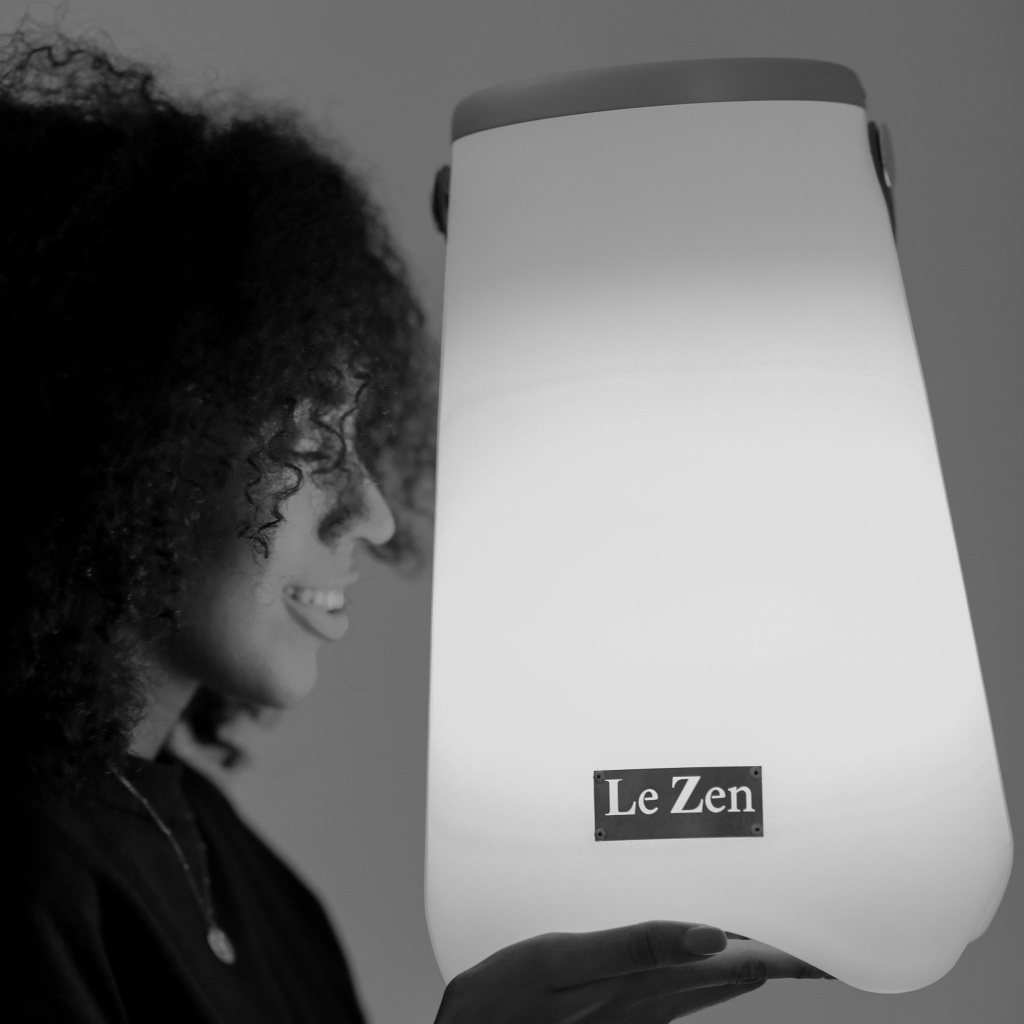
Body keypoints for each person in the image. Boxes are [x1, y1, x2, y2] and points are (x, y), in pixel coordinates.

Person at [1, 27, 831, 1023]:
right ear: (114, 439)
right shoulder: (20, 871)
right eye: (308, 442)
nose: (374, 514)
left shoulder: (232, 863)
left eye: (359, 438)